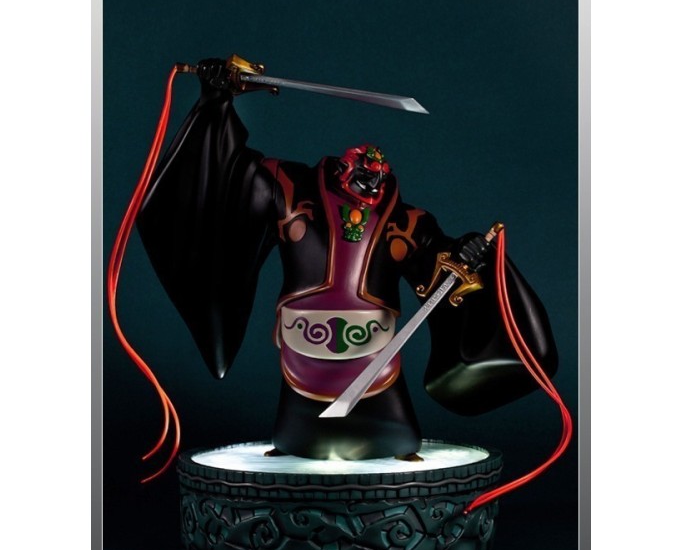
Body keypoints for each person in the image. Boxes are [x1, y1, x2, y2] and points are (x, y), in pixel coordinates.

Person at [137, 57, 557, 460]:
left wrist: (470, 254)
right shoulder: (289, 189)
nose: (370, 188)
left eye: (378, 180)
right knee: (296, 428)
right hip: (302, 349)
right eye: (363, 178)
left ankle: (389, 443)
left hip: (376, 362)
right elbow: (225, 177)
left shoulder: (408, 222)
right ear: (342, 170)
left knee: (394, 432)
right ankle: (294, 440)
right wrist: (218, 100)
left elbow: (443, 274)